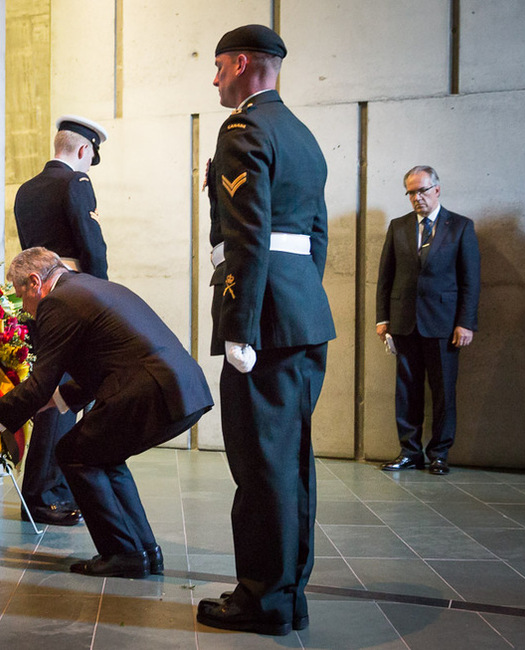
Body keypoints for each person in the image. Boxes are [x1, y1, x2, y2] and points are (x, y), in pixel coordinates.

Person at [196, 25, 335, 636]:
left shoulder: (243, 129)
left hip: (265, 323)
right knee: (290, 462)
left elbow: (247, 235)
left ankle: (261, 599)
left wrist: (242, 325)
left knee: (260, 467)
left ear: (244, 63)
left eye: (220, 65)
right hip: (302, 313)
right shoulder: (303, 135)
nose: (216, 76)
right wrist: (295, 301)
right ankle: (287, 592)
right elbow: (317, 236)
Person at [0, 247, 213, 578]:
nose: (24, 308)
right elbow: (100, 364)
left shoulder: (57, 302)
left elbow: (39, 383)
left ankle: (123, 553)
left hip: (151, 390)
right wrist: (56, 399)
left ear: (35, 281)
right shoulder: (87, 287)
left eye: (21, 295)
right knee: (101, 455)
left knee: (74, 452)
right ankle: (143, 551)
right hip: (182, 386)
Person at [11, 115, 110, 526]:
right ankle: (41, 493)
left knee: (54, 394)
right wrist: (103, 295)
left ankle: (56, 488)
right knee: (62, 397)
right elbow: (92, 246)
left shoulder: (25, 190)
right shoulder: (77, 184)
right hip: (73, 298)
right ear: (84, 150)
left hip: (38, 298)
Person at [377, 166, 480, 476]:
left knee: (443, 392)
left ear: (437, 190)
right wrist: (382, 319)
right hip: (404, 323)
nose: (416, 197)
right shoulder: (398, 227)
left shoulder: (460, 227)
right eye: (410, 192)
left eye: (421, 190)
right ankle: (409, 452)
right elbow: (385, 277)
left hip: (445, 326)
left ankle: (439, 454)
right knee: (406, 390)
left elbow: (470, 281)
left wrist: (466, 322)